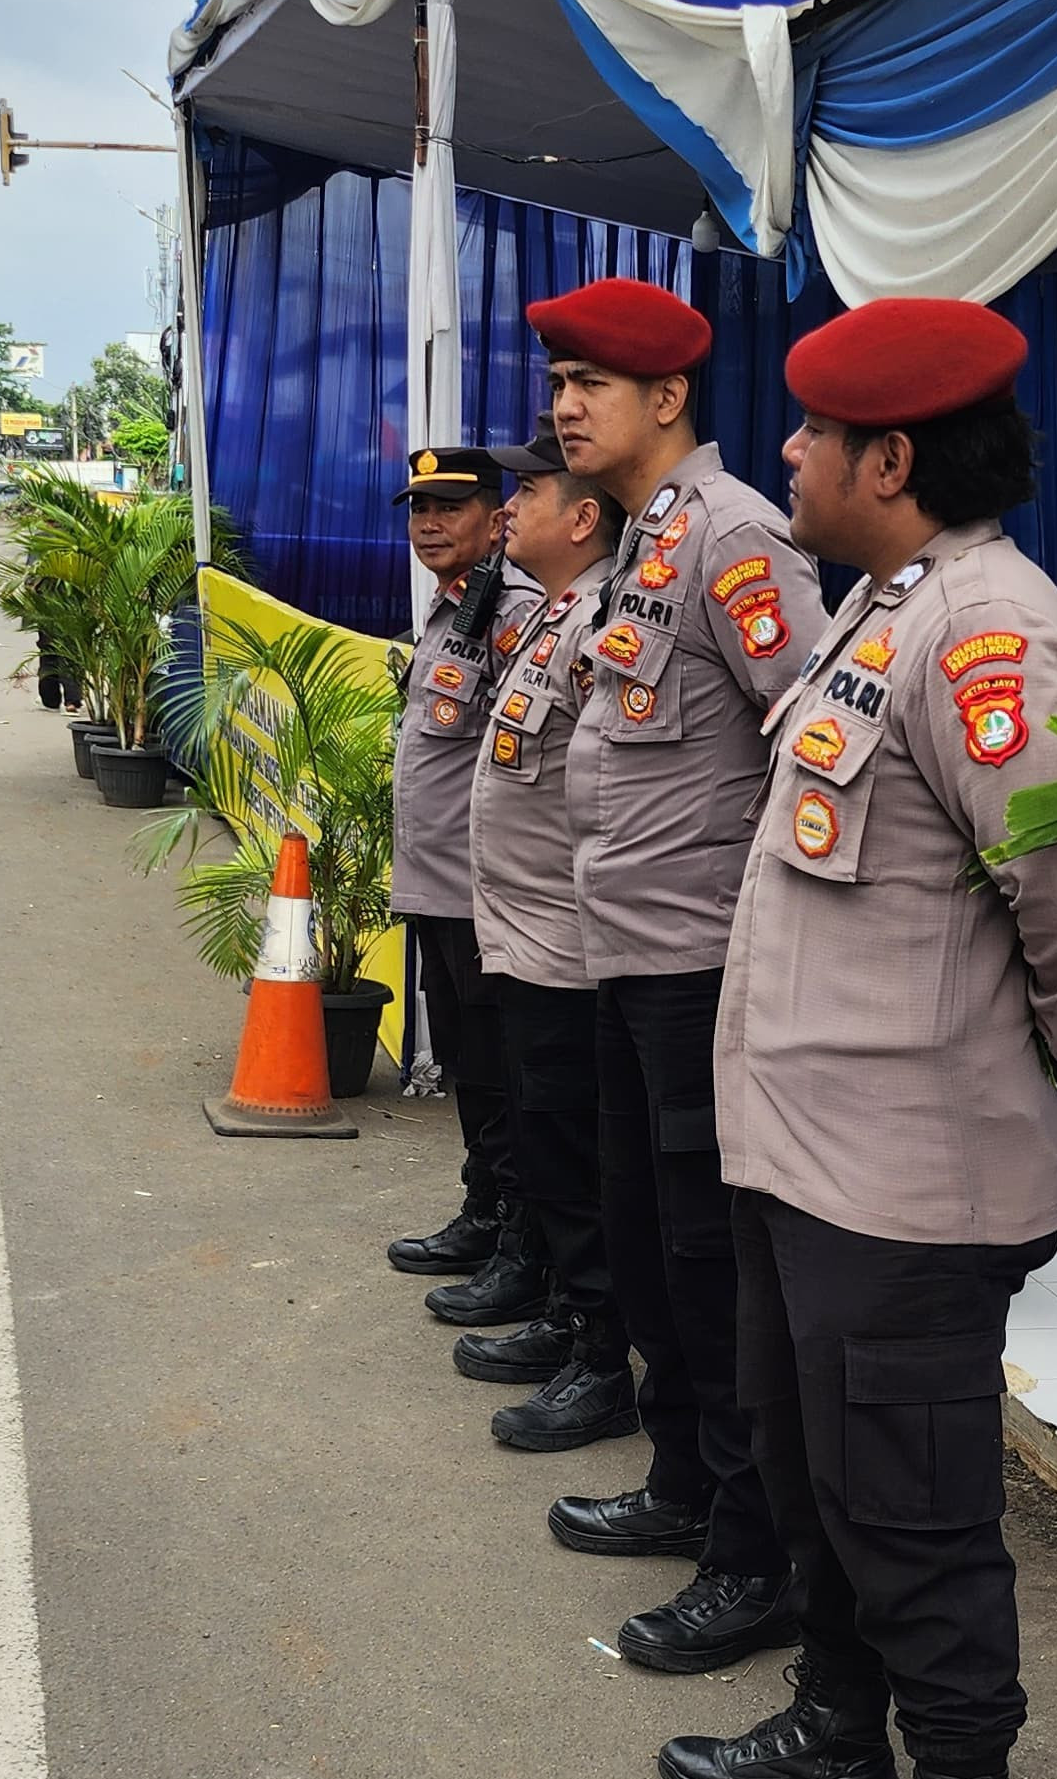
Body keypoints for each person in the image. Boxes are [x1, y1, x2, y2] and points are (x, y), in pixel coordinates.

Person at [662, 300, 1057, 1779]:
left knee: (914, 1522)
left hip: (905, 1186)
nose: (788, 453)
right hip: (803, 1157)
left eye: (811, 432)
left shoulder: (986, 628)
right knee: (819, 1486)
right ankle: (833, 1725)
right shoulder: (888, 602)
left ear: (886, 458)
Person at [539, 277, 826, 1675]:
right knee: (650, 1249)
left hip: (700, 966)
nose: (563, 406)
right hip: (624, 950)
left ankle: (748, 1556)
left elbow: (810, 742)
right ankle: (679, 1483)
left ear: (667, 399)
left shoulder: (734, 537)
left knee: (711, 1271)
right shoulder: (644, 540)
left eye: (589, 382)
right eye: (556, 384)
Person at [463, 410, 634, 1451]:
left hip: (570, 946)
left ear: (580, 518)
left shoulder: (597, 619)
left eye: (526, 492)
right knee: (546, 1146)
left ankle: (599, 1353)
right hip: (523, 935)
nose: (508, 506)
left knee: (578, 1163)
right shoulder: (546, 614)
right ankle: (573, 1320)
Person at [383, 448, 546, 1327]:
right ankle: (483, 1211)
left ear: (498, 518)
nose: (430, 523)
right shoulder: (453, 610)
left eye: (451, 507)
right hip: (434, 886)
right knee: (469, 1074)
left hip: (482, 896)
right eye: (419, 509)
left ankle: (518, 1239)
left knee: (498, 1074)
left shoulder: (511, 612)